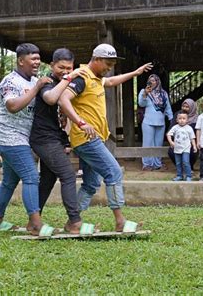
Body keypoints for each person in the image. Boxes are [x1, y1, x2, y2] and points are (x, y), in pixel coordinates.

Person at [58, 43, 153, 232]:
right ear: (96, 59)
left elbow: (111, 81)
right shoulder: (82, 77)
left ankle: (72, 221)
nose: (109, 68)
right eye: (107, 64)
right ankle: (120, 221)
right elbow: (63, 99)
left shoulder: (98, 78)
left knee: (92, 183)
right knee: (114, 173)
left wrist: (135, 73)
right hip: (86, 138)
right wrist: (80, 122)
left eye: (112, 65)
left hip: (95, 138)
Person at [0, 43, 54, 235]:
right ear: (20, 60)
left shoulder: (34, 80)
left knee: (9, 182)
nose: (37, 62)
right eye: (32, 59)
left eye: (38, 58)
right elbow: (12, 106)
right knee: (31, 177)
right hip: (9, 138)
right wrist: (36, 88)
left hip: (21, 138)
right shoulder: (10, 82)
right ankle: (35, 224)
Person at [30, 48, 91, 234]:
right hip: (43, 139)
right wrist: (67, 78)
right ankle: (74, 221)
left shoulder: (63, 81)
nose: (65, 71)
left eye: (69, 68)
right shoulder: (47, 82)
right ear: (52, 65)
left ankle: (33, 223)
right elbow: (50, 99)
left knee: (48, 180)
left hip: (54, 137)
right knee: (68, 175)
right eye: (61, 67)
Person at [138, 74, 173, 171]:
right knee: (147, 144)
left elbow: (168, 107)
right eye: (150, 80)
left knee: (158, 144)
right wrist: (145, 93)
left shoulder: (164, 94)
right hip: (148, 122)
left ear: (158, 82)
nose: (151, 82)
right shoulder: (144, 91)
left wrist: (172, 119)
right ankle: (147, 164)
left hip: (161, 122)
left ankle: (157, 163)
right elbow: (141, 103)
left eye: (154, 80)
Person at [168, 99, 199, 169]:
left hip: (190, 143)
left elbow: (197, 133)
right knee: (171, 151)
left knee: (193, 151)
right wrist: (172, 142)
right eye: (183, 106)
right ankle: (180, 167)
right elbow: (171, 129)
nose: (184, 108)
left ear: (192, 107)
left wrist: (194, 144)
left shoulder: (196, 118)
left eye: (187, 107)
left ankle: (189, 167)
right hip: (178, 141)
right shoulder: (178, 114)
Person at [166, 111, 197, 181]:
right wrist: (171, 142)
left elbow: (192, 138)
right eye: (180, 118)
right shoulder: (175, 127)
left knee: (186, 162)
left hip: (186, 148)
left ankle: (189, 176)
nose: (182, 120)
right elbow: (168, 134)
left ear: (187, 120)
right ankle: (179, 175)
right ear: (177, 120)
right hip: (177, 149)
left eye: (184, 118)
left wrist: (194, 146)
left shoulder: (189, 128)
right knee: (178, 163)